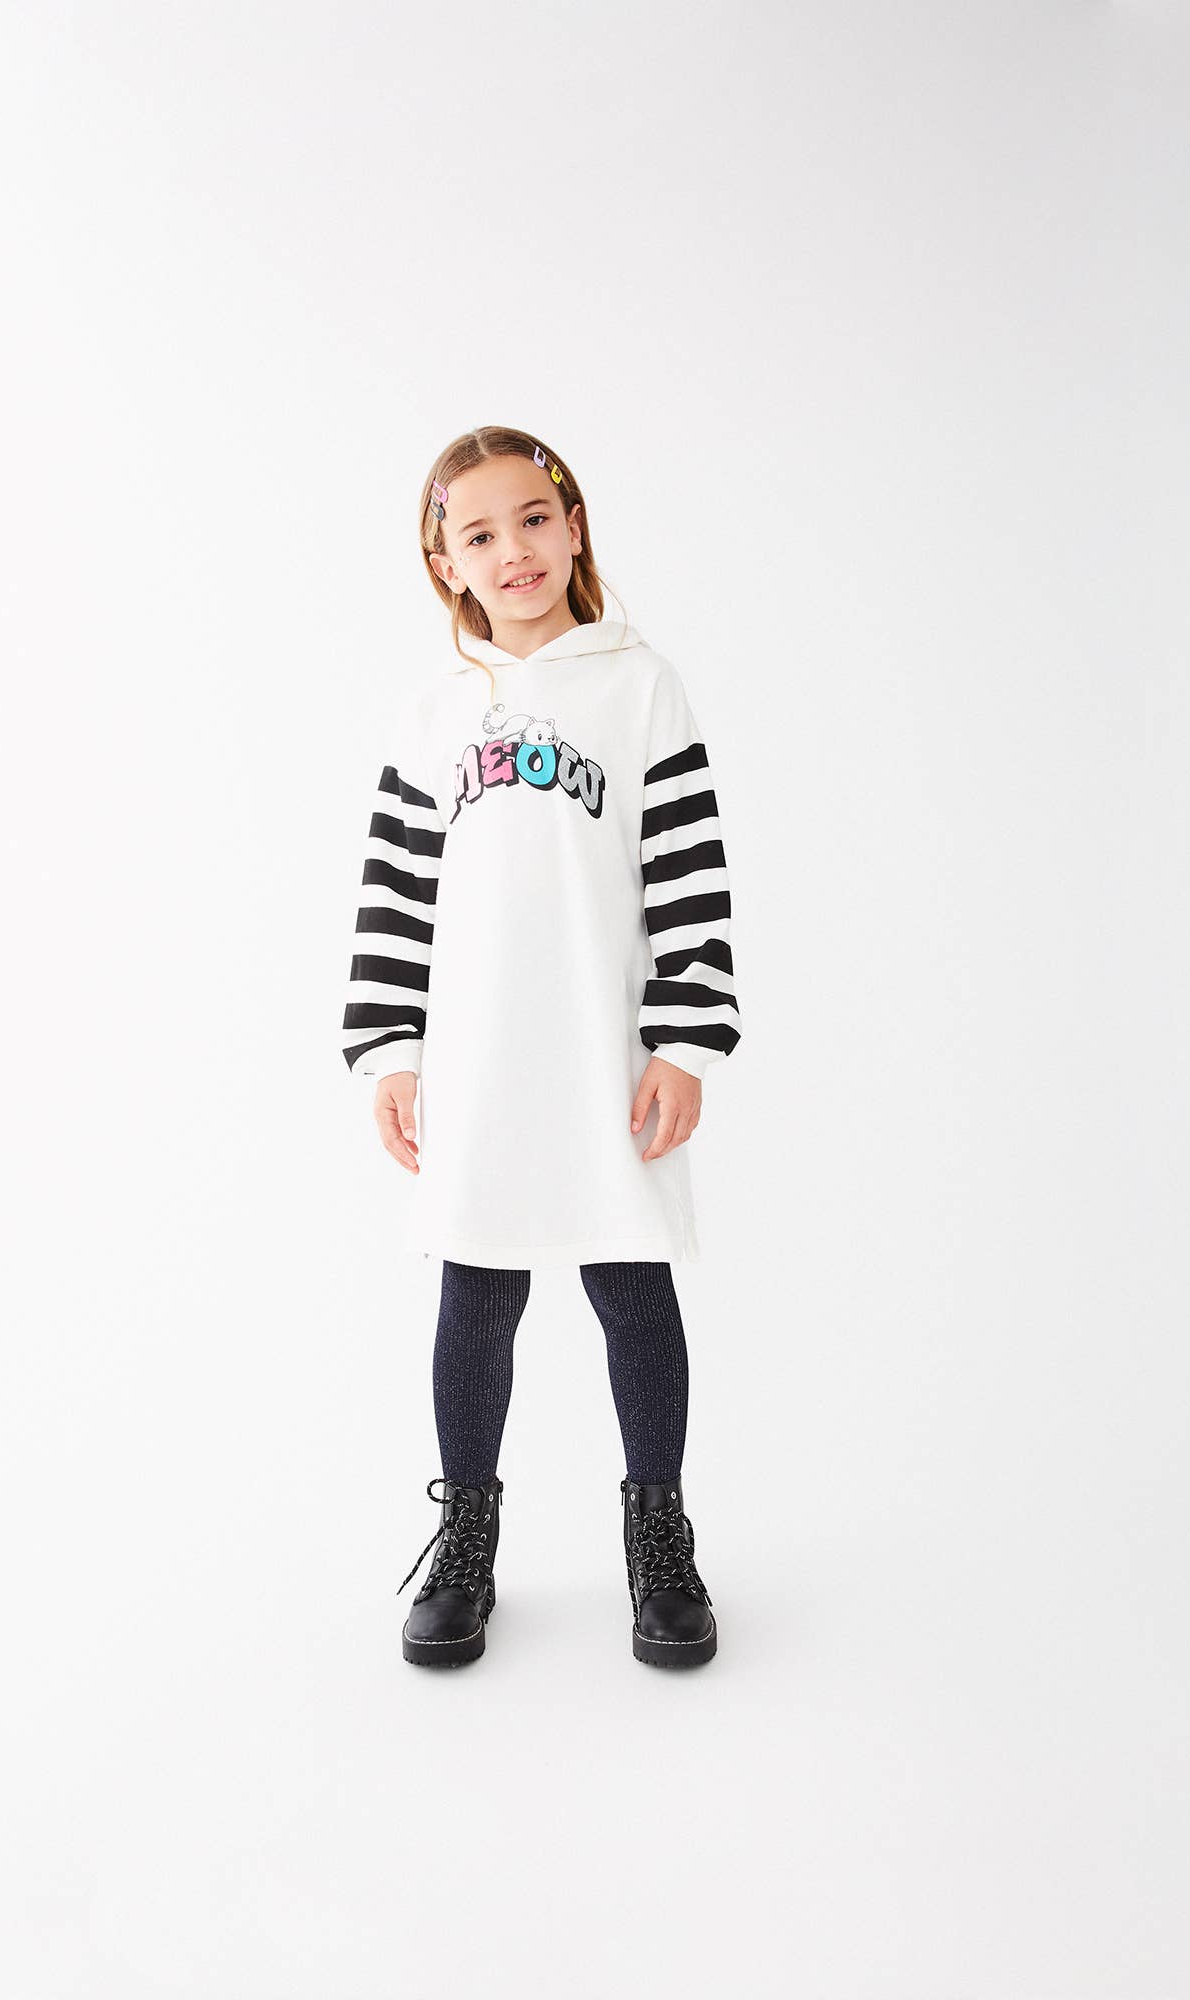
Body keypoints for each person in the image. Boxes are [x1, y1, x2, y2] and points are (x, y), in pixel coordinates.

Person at [341, 426, 742, 1669]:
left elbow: (688, 873)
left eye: (531, 518)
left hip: (605, 1056)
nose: (511, 549)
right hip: (476, 1063)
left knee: (633, 1287)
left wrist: (684, 1041)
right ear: (445, 562)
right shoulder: (434, 712)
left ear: (572, 525)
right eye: (479, 533)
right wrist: (388, 1051)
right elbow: (395, 893)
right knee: (476, 1292)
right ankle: (465, 1538)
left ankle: (658, 1536)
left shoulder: (639, 686)